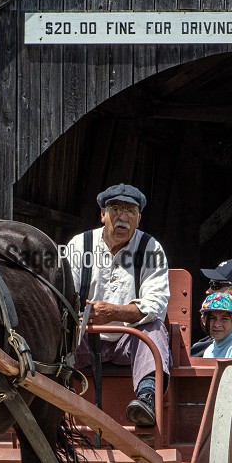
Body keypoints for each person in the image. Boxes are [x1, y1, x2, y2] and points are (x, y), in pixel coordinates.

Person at [62, 183, 171, 427]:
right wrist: (81, 318)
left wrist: (114, 312)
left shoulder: (150, 249)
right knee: (54, 332)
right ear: (102, 214)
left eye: (130, 211)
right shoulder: (80, 246)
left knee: (154, 329)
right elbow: (62, 296)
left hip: (127, 342)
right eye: (115, 209)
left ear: (139, 219)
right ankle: (50, 398)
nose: (122, 218)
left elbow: (155, 305)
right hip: (83, 338)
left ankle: (146, 398)